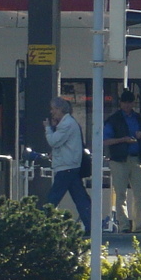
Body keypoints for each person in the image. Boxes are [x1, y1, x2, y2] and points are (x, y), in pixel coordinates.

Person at [104, 89, 141, 234]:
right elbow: (105, 141)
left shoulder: (139, 119)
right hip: (119, 160)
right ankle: (124, 226)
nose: (127, 105)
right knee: (120, 194)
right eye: (124, 102)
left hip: (136, 159)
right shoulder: (113, 119)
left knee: (140, 194)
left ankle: (139, 226)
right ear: (121, 103)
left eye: (129, 102)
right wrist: (123, 139)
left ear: (133, 103)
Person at [43, 96, 91, 233]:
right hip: (71, 166)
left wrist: (48, 128)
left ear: (59, 109)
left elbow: (54, 141)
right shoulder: (69, 123)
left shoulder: (66, 124)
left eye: (53, 109)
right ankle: (91, 225)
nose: (52, 112)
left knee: (53, 197)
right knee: (80, 198)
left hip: (66, 167)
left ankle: (40, 222)